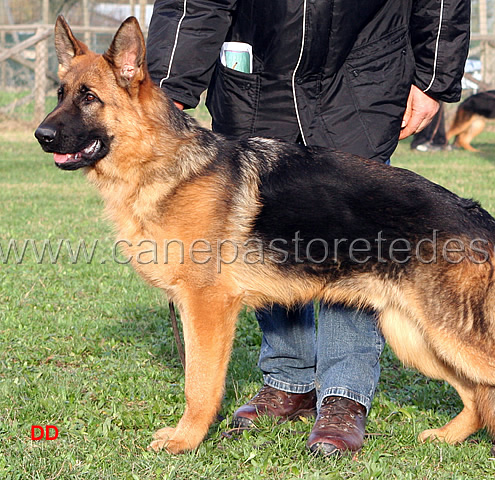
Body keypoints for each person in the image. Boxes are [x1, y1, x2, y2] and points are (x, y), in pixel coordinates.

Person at [146, 0, 470, 456]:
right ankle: (288, 381)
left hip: (363, 67)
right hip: (258, 71)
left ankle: (343, 396)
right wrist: (168, 85)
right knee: (259, 240)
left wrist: (435, 74)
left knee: (356, 246)